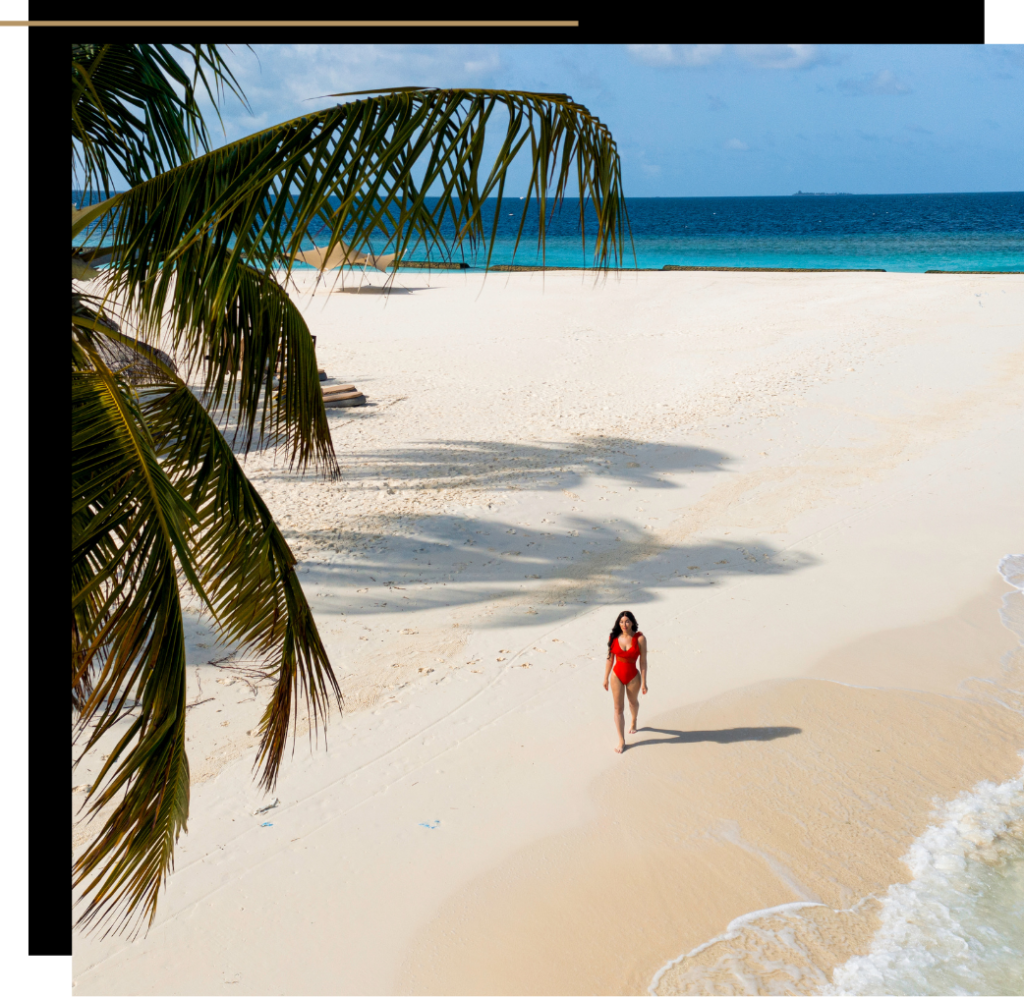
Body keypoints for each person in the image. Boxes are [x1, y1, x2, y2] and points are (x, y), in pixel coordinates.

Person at [603, 610, 648, 753]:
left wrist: (644, 681)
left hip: (633, 676)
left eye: (627, 621)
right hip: (616, 675)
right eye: (621, 621)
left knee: (633, 702)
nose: (624, 624)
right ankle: (621, 740)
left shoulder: (640, 639)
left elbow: (643, 661)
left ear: (632, 622)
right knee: (618, 708)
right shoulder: (614, 637)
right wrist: (605, 677)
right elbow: (610, 659)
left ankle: (634, 720)